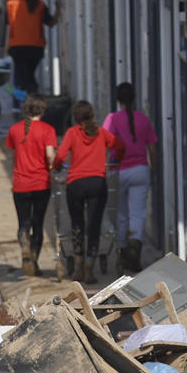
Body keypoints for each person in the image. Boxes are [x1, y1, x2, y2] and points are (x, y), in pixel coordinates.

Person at [54, 101, 122, 277]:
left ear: (75, 118)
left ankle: (78, 266)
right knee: (94, 224)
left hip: (75, 184)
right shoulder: (101, 133)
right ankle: (90, 268)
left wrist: (57, 166)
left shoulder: (71, 133)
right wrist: (115, 159)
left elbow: (60, 156)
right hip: (97, 184)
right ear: (92, 115)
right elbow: (119, 145)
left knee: (77, 223)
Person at [103, 83, 158, 273]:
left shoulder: (112, 119)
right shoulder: (143, 119)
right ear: (134, 98)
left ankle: (122, 252)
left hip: (118, 170)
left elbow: (105, 143)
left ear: (118, 100)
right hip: (141, 170)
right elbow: (152, 148)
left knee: (121, 214)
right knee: (138, 212)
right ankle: (135, 247)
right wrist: (153, 170)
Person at [7, 95, 57, 277]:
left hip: (20, 184)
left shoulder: (14, 129)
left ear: (25, 109)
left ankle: (24, 246)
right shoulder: (48, 130)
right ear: (42, 110)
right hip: (41, 183)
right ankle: (33, 262)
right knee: (38, 223)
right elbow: (50, 156)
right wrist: (55, 165)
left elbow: (13, 153)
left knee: (23, 223)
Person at [4, 0, 59, 106]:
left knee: (21, 77)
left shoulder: (11, 5)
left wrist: (6, 48)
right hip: (35, 47)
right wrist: (58, 10)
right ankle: (31, 100)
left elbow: (8, 27)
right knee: (28, 74)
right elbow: (51, 23)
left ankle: (21, 104)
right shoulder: (39, 5)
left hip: (17, 46)